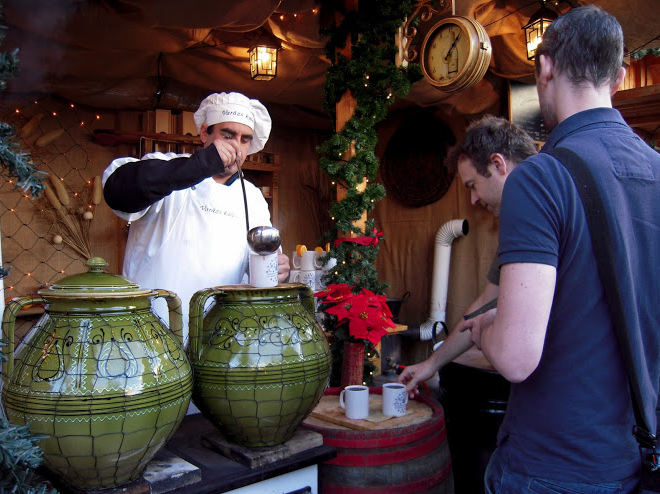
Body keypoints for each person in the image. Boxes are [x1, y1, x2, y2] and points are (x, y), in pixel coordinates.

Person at [460, 6, 660, 493]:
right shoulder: (657, 170)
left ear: (544, 67)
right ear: (618, 76)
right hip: (635, 457)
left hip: (550, 465)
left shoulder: (540, 177)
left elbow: (515, 357)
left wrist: (486, 330)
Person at [397, 116, 537, 493]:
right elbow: (481, 304)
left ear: (498, 164)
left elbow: (509, 346)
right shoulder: (518, 222)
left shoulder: (541, 210)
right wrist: (431, 363)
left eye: (474, 186)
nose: (473, 199)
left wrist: (489, 327)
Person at [102, 92, 290, 346]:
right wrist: (202, 164)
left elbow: (260, 266)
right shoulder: (167, 167)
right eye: (227, 135)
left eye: (245, 140)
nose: (236, 146)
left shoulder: (253, 197)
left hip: (219, 342)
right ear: (204, 134)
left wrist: (278, 271)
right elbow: (117, 191)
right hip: (151, 336)